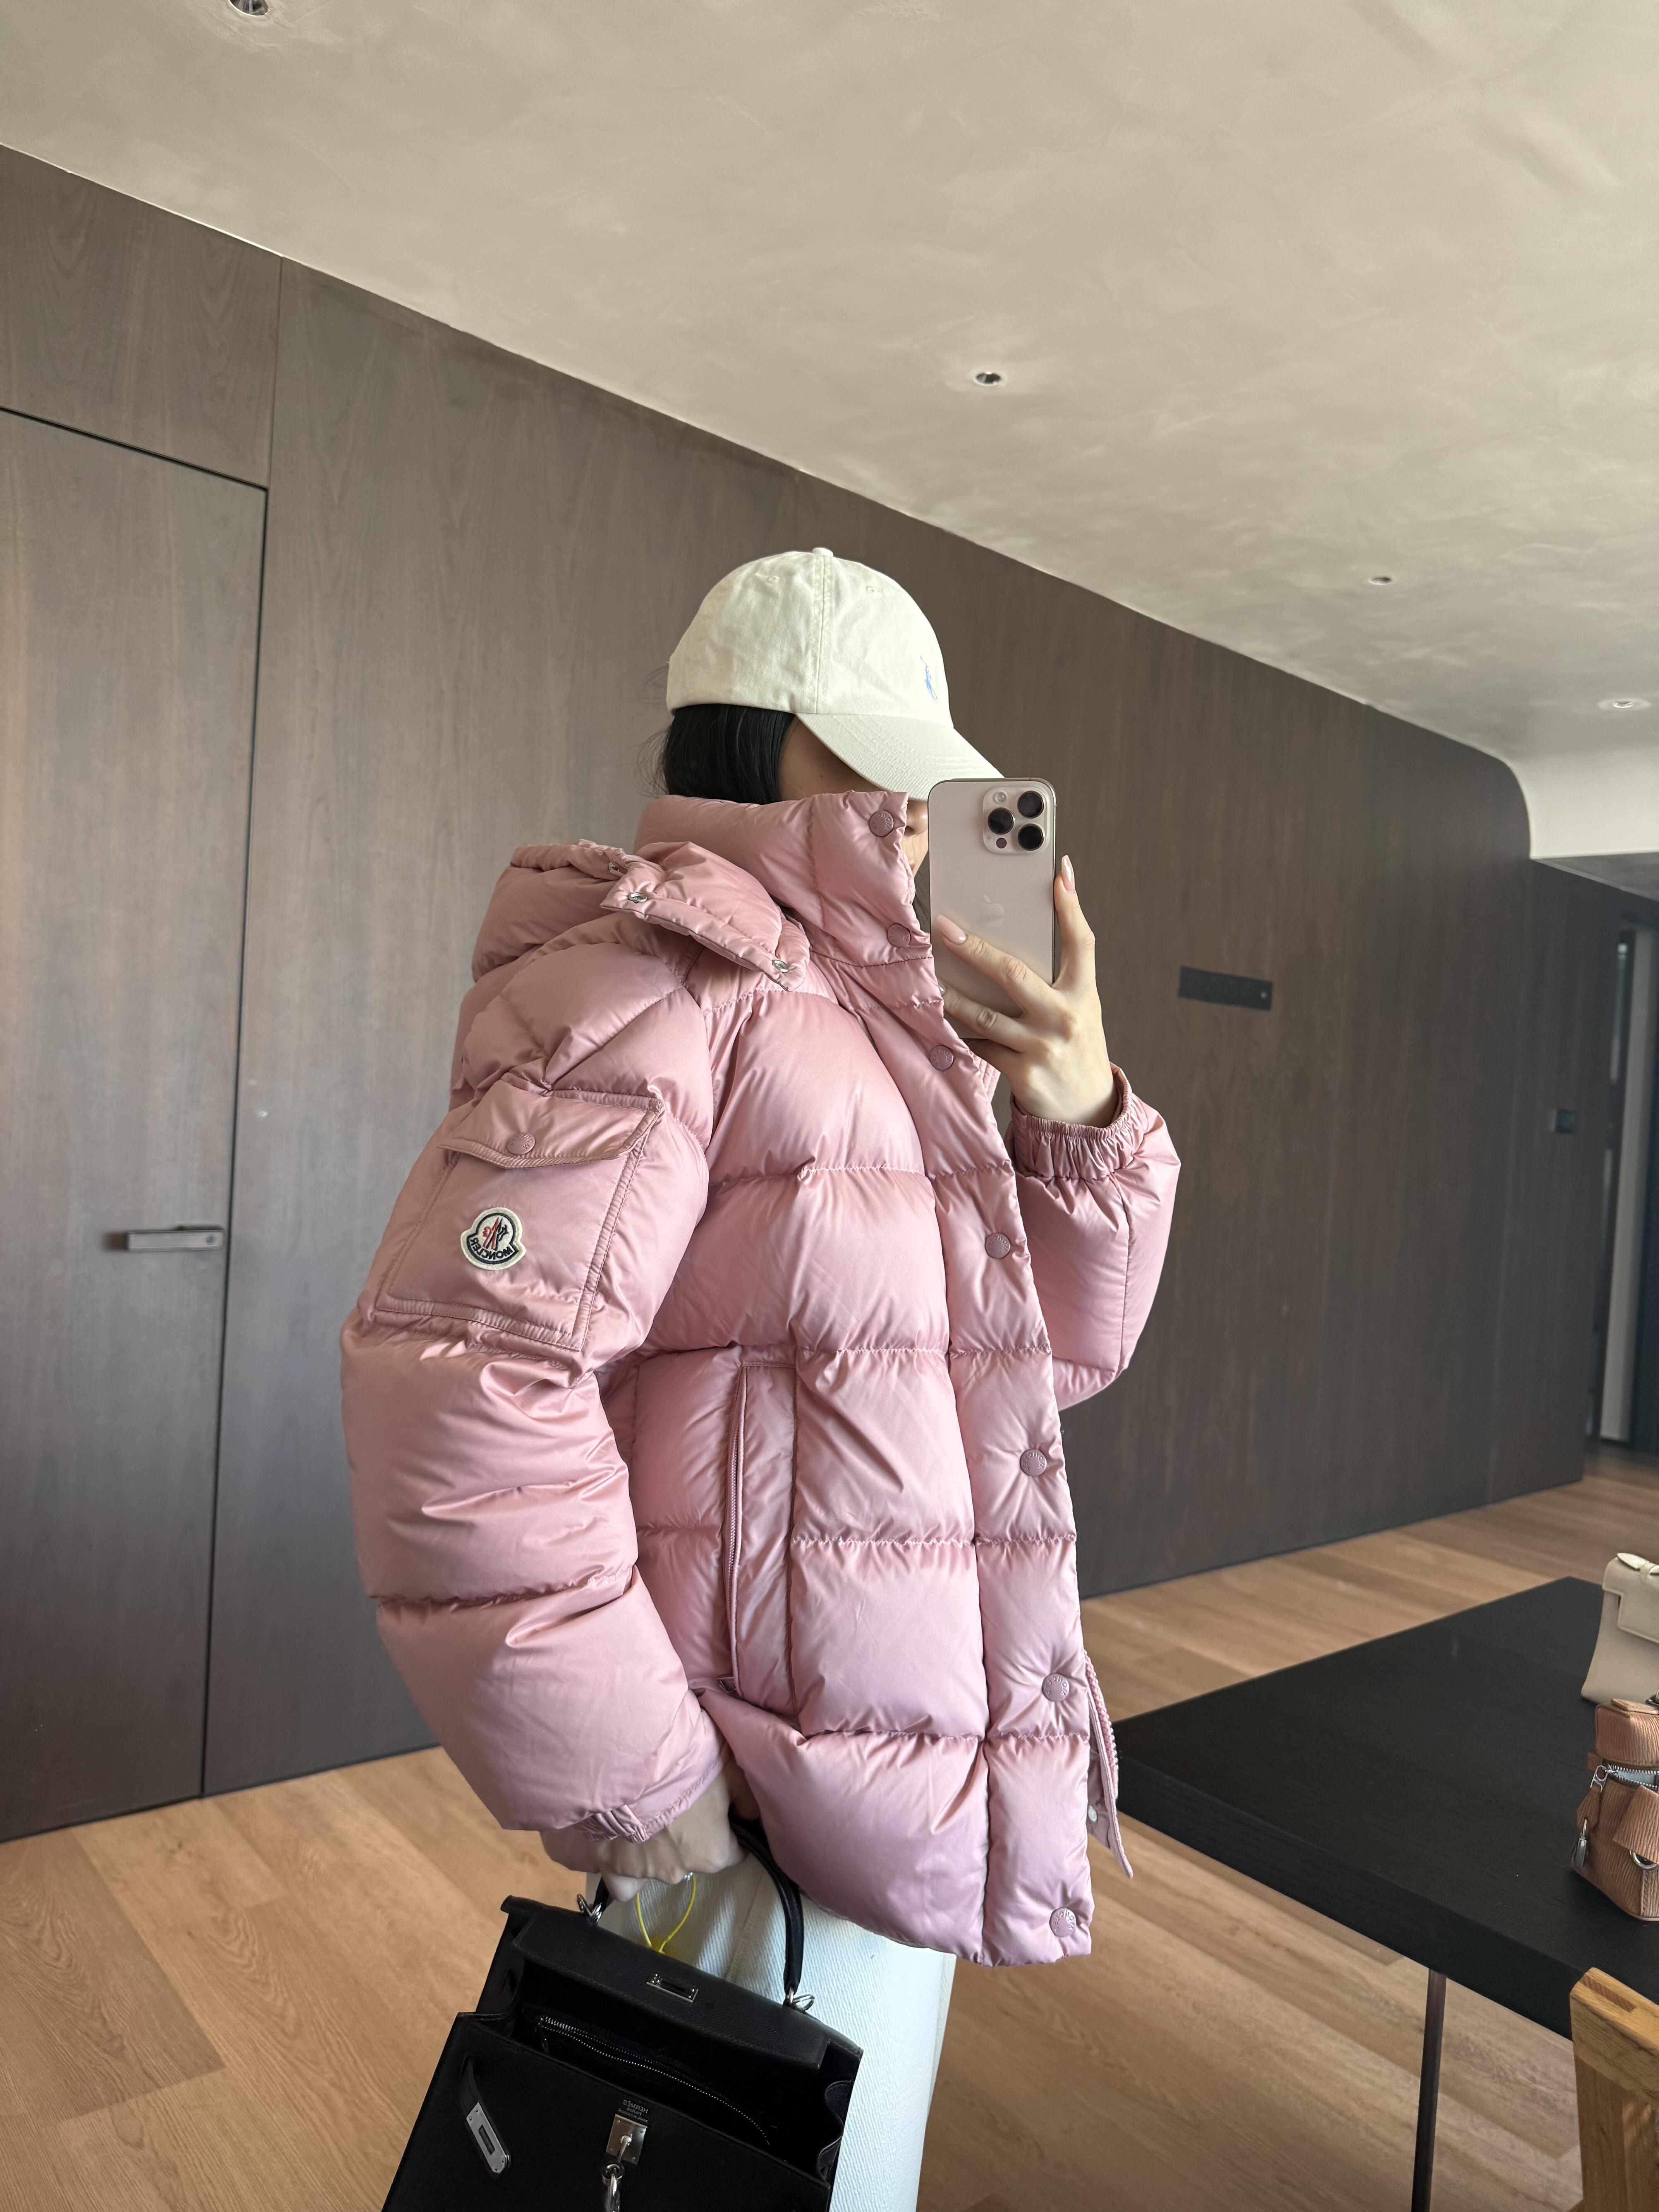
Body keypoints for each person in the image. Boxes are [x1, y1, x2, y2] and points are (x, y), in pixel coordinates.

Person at [341, 547, 1180, 2210]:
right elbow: (467, 1389)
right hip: (757, 1815)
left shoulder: (891, 1019)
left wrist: (1081, 1114)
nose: (922, 806)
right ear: (764, 737)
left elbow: (1044, 1363)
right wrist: (644, 1783)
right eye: (882, 753)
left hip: (892, 1783)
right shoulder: (661, 976)